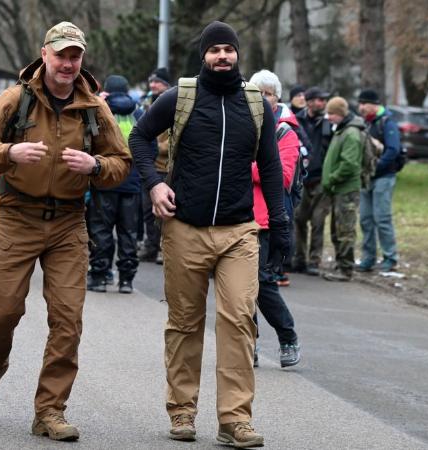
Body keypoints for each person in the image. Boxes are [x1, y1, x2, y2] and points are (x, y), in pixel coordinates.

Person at [0, 21, 131, 441]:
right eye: (61, 55)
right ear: (45, 54)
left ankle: (50, 410)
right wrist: (9, 152)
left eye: (75, 56)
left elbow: (121, 164)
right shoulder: (16, 98)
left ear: (82, 59)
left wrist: (95, 166)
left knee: (67, 321)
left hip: (69, 222)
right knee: (1, 313)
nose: (68, 63)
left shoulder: (95, 108)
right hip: (17, 215)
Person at [129, 21, 289, 448]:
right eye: (215, 49)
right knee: (185, 323)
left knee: (239, 321)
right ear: (203, 55)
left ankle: (234, 420)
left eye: (229, 50)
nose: (223, 56)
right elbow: (139, 137)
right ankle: (182, 412)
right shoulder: (179, 97)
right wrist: (155, 183)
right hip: (186, 229)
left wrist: (282, 222)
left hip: (239, 231)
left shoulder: (256, 105)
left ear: (238, 55)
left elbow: (271, 168)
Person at [248, 69, 301, 367]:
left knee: (263, 284)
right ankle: (247, 344)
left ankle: (288, 336)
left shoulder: (285, 131)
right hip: (238, 215)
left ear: (277, 97)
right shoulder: (247, 124)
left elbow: (281, 175)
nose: (263, 98)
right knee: (238, 288)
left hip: (268, 219)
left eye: (268, 93)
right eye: (258, 92)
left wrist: (246, 165)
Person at [86, 74, 142, 294]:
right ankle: (126, 280)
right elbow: (150, 147)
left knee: (101, 230)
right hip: (132, 182)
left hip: (104, 179)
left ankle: (100, 275)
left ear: (107, 90)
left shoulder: (99, 109)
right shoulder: (138, 112)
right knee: (128, 232)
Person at [356, 88, 401, 273]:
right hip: (367, 178)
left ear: (374, 104)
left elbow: (393, 150)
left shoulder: (387, 123)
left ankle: (390, 257)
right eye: (360, 104)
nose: (361, 108)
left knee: (382, 218)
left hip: (384, 177)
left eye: (364, 104)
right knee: (366, 218)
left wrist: (375, 167)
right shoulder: (364, 123)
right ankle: (368, 257)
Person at [322, 96, 365, 282]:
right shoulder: (342, 130)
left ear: (340, 113)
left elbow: (349, 164)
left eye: (331, 113)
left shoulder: (351, 134)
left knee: (345, 230)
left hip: (346, 190)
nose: (328, 117)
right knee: (337, 228)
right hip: (338, 189)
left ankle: (346, 269)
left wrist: (332, 179)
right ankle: (340, 264)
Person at [293, 86, 332, 276]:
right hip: (301, 179)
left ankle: (315, 261)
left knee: (318, 222)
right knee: (298, 219)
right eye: (318, 99)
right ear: (309, 102)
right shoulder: (296, 120)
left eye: (324, 100)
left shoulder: (328, 122)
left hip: (320, 180)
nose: (322, 103)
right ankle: (298, 259)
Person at [137, 67, 171, 265]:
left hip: (166, 167)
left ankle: (162, 248)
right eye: (151, 82)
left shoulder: (174, 103)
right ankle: (150, 245)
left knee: (164, 211)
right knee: (148, 210)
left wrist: (154, 146)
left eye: (157, 82)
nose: (153, 85)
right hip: (149, 166)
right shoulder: (146, 104)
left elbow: (175, 137)